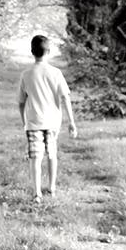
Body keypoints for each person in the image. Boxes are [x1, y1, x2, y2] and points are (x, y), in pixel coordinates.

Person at [17, 35, 78, 203]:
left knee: (35, 157)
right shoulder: (56, 73)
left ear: (32, 52)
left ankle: (37, 193)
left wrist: (24, 122)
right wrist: (71, 122)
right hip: (53, 122)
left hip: (33, 122)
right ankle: (51, 187)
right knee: (52, 154)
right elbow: (65, 98)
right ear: (48, 52)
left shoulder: (26, 74)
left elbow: (21, 103)